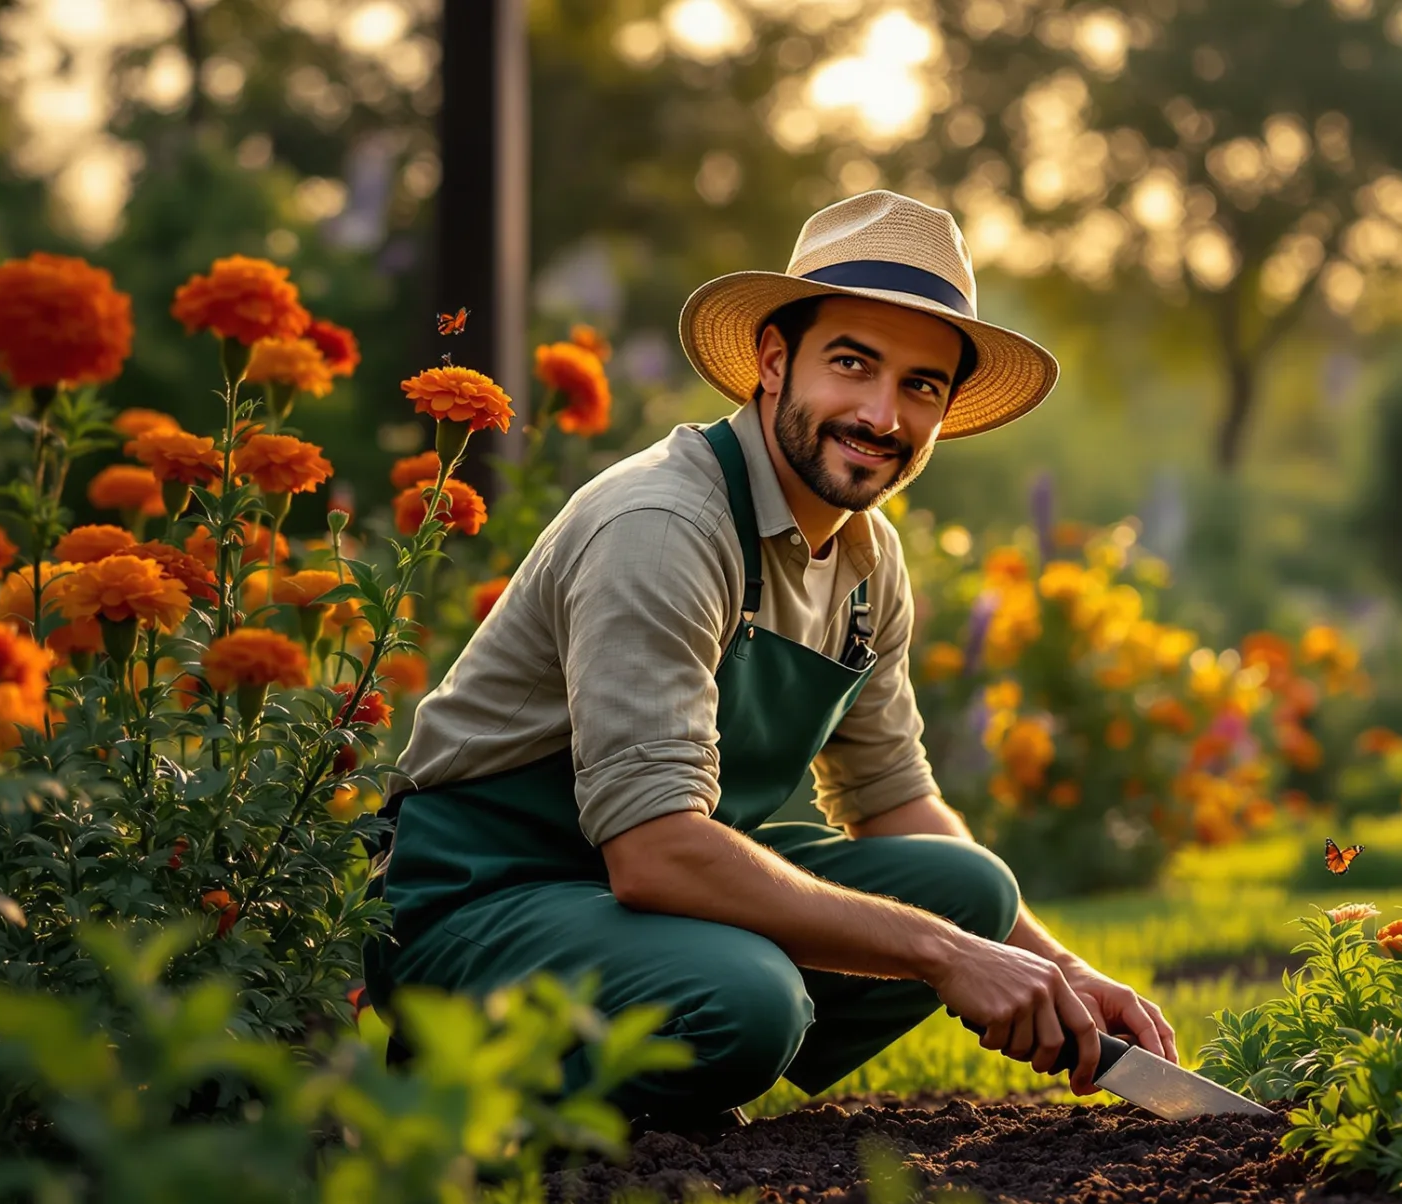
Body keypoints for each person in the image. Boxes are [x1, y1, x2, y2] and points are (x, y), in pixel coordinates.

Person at [369, 191, 1174, 1132]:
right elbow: (657, 853)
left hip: (626, 901)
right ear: (773, 362)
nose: (881, 414)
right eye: (852, 364)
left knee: (975, 890)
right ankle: (458, 1076)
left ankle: (666, 1043)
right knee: (751, 1002)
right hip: (482, 900)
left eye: (920, 385)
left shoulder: (870, 562)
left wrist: (1056, 970)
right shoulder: (666, 526)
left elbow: (890, 797)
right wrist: (942, 955)